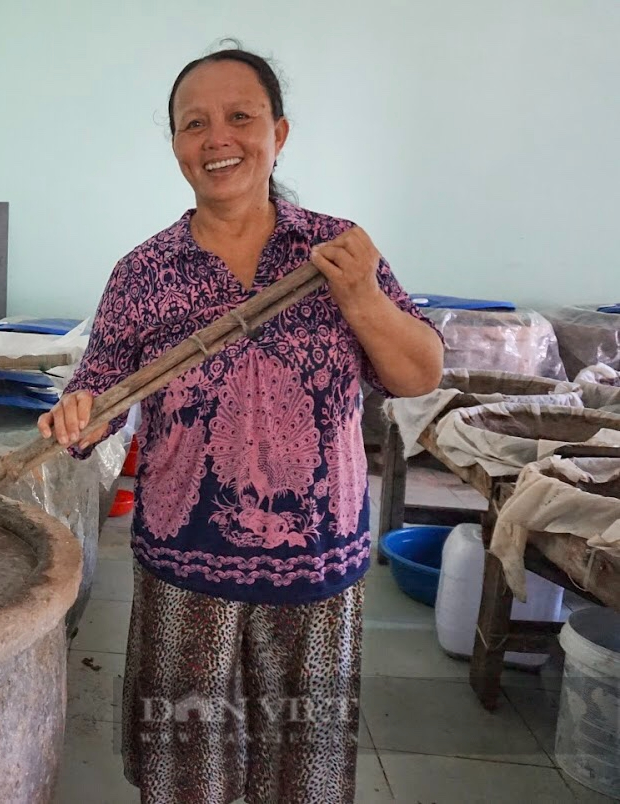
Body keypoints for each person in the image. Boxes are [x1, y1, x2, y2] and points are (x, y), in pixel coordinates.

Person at [38, 46, 443, 804]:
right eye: (195, 124)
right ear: (176, 146)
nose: (217, 138)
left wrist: (359, 297)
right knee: (190, 769)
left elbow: (419, 373)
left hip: (318, 566)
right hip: (187, 566)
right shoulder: (142, 272)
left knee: (302, 770)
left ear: (278, 133)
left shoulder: (336, 250)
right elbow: (102, 393)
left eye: (240, 118)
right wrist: (79, 417)